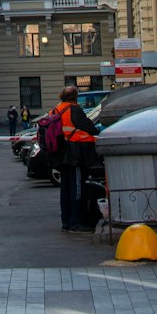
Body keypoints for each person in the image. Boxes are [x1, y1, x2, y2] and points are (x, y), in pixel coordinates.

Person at [50, 85, 99, 233]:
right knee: (76, 189)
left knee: (65, 189)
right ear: (75, 97)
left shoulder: (56, 109)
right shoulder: (74, 109)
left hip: (61, 155)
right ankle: (75, 223)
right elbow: (90, 128)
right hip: (75, 155)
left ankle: (66, 221)